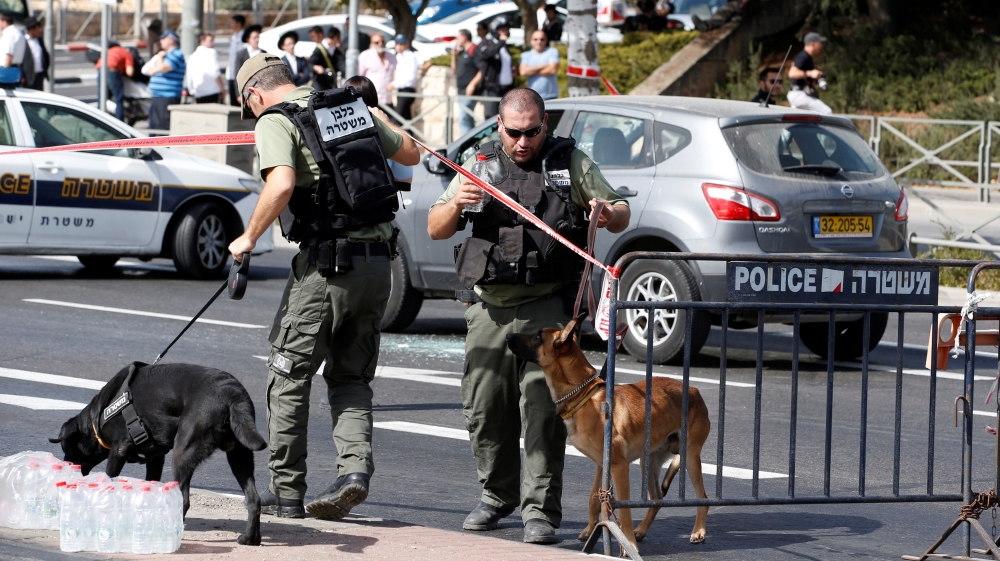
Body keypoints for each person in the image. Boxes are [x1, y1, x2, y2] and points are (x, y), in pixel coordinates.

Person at [426, 87, 630, 544]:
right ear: (499, 126)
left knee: (541, 412)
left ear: (544, 126)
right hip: (489, 308)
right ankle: (496, 497)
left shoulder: (568, 162)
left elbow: (620, 211)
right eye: (514, 132)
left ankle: (540, 511)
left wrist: (605, 211)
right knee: (485, 409)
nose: (523, 141)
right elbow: (436, 228)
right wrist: (457, 201)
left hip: (547, 308)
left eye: (533, 131)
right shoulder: (478, 163)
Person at [229, 53, 419, 521]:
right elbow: (411, 153)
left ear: (254, 93)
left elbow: (281, 184)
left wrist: (247, 239)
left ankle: (286, 492)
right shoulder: (345, 106)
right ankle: (354, 472)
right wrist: (373, 118)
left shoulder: (275, 120)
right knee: (351, 377)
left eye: (246, 104)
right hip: (378, 267)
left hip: (325, 270)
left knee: (288, 374)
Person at [345, 75, 414, 189]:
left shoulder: (334, 129)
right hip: (376, 200)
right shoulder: (383, 133)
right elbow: (406, 178)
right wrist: (386, 123)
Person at [146, 29, 185, 130]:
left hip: (167, 97)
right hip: (158, 96)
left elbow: (161, 68)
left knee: (163, 127)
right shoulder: (166, 55)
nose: (160, 41)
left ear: (171, 40)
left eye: (163, 39)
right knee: (154, 126)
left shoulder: (177, 54)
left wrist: (159, 57)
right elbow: (150, 70)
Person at [474, 17, 513, 119]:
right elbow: (489, 53)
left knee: (506, 120)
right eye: (502, 29)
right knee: (492, 120)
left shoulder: (504, 46)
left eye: (506, 29)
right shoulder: (488, 43)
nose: (505, 31)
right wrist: (501, 42)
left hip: (506, 90)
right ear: (494, 30)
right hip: (492, 90)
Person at [787, 32, 832, 115]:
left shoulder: (807, 57)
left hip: (797, 94)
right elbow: (792, 74)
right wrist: (811, 73)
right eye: (819, 43)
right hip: (798, 94)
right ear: (812, 43)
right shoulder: (803, 56)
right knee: (827, 112)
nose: (821, 46)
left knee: (801, 121)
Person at [451, 30, 479, 135]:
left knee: (463, 119)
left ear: (464, 38)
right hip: (461, 91)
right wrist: (454, 56)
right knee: (467, 120)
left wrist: (473, 84)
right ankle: (472, 146)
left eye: (457, 38)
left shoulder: (474, 50)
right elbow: (454, 70)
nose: (456, 41)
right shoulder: (463, 52)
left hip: (470, 92)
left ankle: (467, 147)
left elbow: (482, 69)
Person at [97, 42, 135, 120]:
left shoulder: (111, 50)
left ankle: (99, 121)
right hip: (112, 70)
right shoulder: (127, 53)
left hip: (100, 70)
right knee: (119, 99)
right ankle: (119, 122)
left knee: (102, 99)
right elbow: (130, 72)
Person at [357, 33, 396, 106]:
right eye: (377, 42)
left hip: (388, 99)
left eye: (382, 42)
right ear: (371, 44)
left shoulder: (392, 57)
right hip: (372, 98)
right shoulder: (365, 55)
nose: (380, 44)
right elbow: (360, 77)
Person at [185, 33, 225, 103]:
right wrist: (222, 89)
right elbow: (215, 72)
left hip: (199, 93)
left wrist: (192, 92)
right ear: (202, 41)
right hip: (213, 91)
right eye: (210, 40)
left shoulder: (192, 57)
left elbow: (189, 76)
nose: (213, 43)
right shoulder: (212, 52)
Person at [519, 31, 559, 101]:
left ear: (546, 41)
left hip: (551, 95)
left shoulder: (552, 52)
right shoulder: (525, 55)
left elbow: (552, 70)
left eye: (542, 39)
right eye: (536, 39)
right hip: (533, 96)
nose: (539, 42)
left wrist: (530, 71)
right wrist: (543, 66)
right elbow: (523, 72)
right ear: (531, 40)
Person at [387, 34, 418, 122]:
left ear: (407, 44)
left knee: (396, 117)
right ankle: (409, 135)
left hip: (408, 90)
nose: (399, 46)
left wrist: (394, 84)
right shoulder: (398, 57)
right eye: (397, 44)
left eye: (402, 44)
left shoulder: (411, 57)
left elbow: (410, 78)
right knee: (405, 118)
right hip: (400, 91)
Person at [310, 26, 345, 90]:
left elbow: (341, 64)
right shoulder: (319, 49)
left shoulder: (337, 50)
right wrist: (315, 67)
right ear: (336, 37)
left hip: (332, 83)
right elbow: (310, 63)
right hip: (320, 83)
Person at [0, 13, 26, 85]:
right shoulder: (17, 31)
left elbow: (9, 55)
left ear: (4, 22)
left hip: (7, 71)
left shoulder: (9, 33)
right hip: (15, 69)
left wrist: (4, 74)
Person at [226, 14, 246, 106]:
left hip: (240, 74)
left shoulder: (244, 37)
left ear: (239, 23)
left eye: (232, 22)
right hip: (232, 74)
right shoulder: (234, 37)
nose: (231, 24)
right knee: (233, 102)